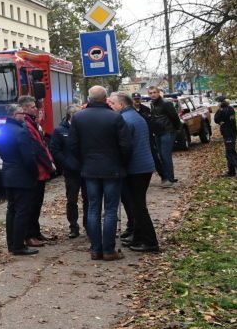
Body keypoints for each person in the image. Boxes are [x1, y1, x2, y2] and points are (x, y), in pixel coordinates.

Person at [68, 85, 133, 261]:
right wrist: (122, 163)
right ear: (106, 99)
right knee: (111, 210)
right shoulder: (115, 117)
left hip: (90, 170)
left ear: (89, 98)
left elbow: (72, 145)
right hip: (112, 168)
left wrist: (83, 162)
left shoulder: (79, 118)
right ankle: (109, 249)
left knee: (93, 209)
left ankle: (95, 249)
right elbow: (126, 145)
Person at [110, 92, 159, 253]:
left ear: (121, 105)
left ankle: (150, 242)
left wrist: (119, 164)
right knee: (136, 205)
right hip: (143, 166)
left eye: (113, 104)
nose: (112, 106)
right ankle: (138, 237)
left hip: (136, 168)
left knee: (138, 206)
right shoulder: (135, 116)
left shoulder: (125, 119)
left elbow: (126, 147)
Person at [0, 103, 40, 256]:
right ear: (15, 115)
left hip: (8, 173)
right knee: (22, 211)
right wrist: (35, 173)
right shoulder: (21, 132)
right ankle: (18, 245)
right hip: (22, 175)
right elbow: (28, 157)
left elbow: (1, 153)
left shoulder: (2, 130)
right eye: (22, 113)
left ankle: (11, 243)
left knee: (11, 210)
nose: (24, 115)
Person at [18, 95, 57, 246]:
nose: (37, 109)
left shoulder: (33, 123)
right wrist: (49, 164)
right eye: (33, 107)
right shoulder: (27, 125)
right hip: (36, 171)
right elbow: (37, 148)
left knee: (37, 204)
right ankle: (29, 236)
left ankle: (36, 232)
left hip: (40, 171)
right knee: (31, 205)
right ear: (25, 108)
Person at [49, 104, 87, 239]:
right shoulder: (59, 131)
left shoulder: (85, 128)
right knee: (72, 200)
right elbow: (55, 150)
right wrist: (67, 164)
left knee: (88, 199)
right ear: (71, 116)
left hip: (86, 169)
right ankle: (73, 226)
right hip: (71, 171)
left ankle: (88, 225)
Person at [147, 86, 182, 187]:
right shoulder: (152, 104)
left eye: (154, 92)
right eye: (151, 93)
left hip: (168, 131)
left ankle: (169, 179)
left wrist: (176, 129)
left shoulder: (166, 103)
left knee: (165, 155)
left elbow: (175, 117)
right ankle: (167, 177)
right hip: (158, 132)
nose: (153, 94)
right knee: (161, 156)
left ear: (159, 93)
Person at [132, 92, 164, 180]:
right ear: (132, 100)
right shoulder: (130, 110)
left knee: (154, 156)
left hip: (147, 136)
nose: (137, 101)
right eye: (135, 99)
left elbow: (152, 121)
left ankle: (163, 176)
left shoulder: (146, 109)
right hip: (136, 137)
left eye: (138, 99)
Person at [214, 96, 237, 177]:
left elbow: (216, 119)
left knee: (230, 153)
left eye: (218, 102)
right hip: (231, 133)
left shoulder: (223, 110)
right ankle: (231, 172)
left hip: (228, 133)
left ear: (221, 102)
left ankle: (233, 171)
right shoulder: (230, 108)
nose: (217, 103)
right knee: (229, 152)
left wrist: (219, 109)